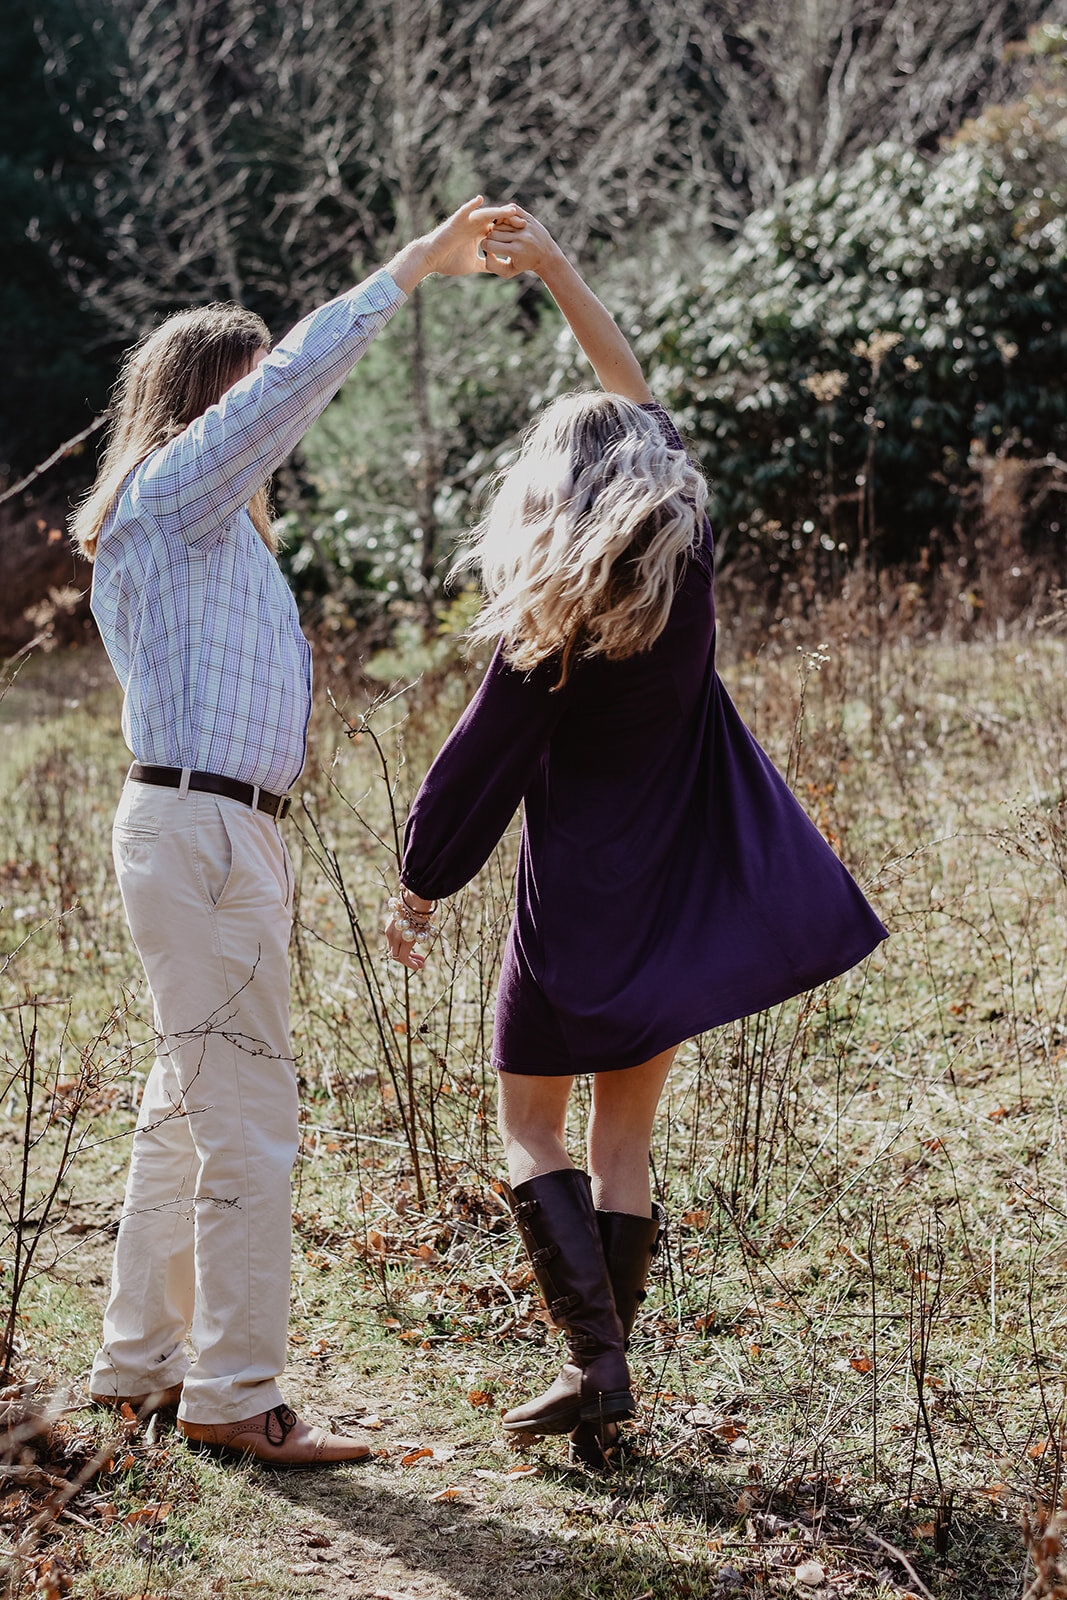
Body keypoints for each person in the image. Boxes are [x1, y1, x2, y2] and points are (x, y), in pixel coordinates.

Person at [385, 208, 888, 1466]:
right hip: (672, 910)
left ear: (544, 494)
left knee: (527, 1127)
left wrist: (418, 887)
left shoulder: (544, 628)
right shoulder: (688, 569)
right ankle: (602, 1390)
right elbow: (634, 395)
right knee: (622, 1141)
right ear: (647, 481)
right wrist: (555, 266)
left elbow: (474, 770)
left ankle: (594, 1365)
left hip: (571, 923)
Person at [73, 197, 518, 1466]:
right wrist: (412, 269)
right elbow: (299, 377)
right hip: (197, 824)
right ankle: (235, 1394)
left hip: (227, 833)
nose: (270, 420)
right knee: (251, 1121)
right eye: (245, 394)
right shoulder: (171, 496)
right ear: (203, 404)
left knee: (186, 1104)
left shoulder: (226, 544)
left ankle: (138, 1367)